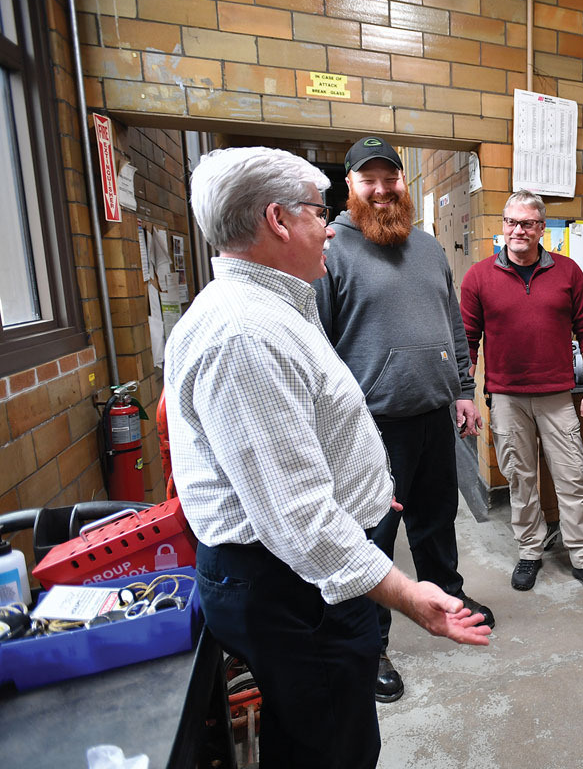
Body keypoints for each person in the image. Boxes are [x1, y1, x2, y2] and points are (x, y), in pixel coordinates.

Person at [165, 147, 490, 769]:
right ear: (278, 220)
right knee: (330, 747)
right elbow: (298, 519)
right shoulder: (244, 336)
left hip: (305, 571)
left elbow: (301, 434)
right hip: (290, 583)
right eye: (319, 212)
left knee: (327, 732)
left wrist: (362, 483)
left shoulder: (277, 307)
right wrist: (407, 595)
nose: (330, 227)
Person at [314, 136, 493, 704]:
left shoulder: (428, 247)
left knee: (437, 518)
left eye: (390, 178)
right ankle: (369, 644)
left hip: (433, 413)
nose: (382, 189)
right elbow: (316, 346)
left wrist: (462, 390)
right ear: (350, 186)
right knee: (373, 536)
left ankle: (446, 597)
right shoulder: (330, 250)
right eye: (369, 180)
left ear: (402, 182)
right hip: (370, 425)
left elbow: (452, 326)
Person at [460, 190, 583, 599]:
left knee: (572, 479)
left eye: (527, 223)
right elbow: (467, 341)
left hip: (557, 396)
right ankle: (530, 550)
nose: (518, 230)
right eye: (511, 222)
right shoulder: (478, 277)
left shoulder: (568, 272)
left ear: (542, 228)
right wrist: (465, 395)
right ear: (503, 225)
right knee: (520, 480)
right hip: (506, 398)